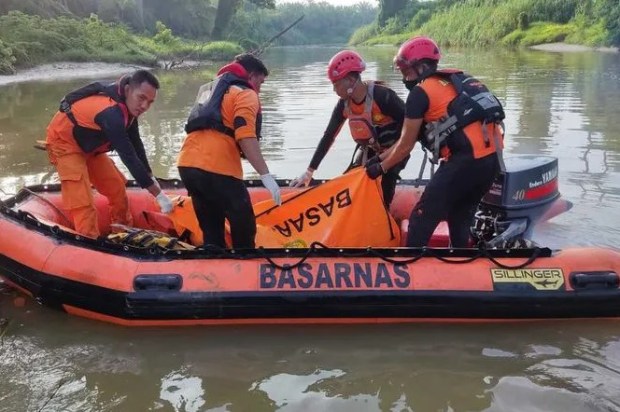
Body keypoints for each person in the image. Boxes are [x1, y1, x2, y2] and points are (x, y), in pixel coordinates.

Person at [366, 36, 505, 247]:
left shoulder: (420, 93)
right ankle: (461, 265)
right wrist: (379, 157)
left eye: (406, 71)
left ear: (421, 67)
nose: (404, 78)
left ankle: (411, 271)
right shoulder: (456, 80)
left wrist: (380, 168)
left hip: (464, 162)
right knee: (460, 218)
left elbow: (405, 145)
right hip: (492, 161)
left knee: (420, 220)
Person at [45, 70, 173, 239]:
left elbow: (137, 144)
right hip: (65, 144)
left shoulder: (129, 109)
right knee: (83, 202)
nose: (144, 106)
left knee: (117, 189)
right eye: (141, 98)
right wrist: (158, 194)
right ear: (128, 90)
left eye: (150, 102)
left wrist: (149, 175)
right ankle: (89, 242)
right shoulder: (111, 113)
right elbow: (128, 156)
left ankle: (122, 234)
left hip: (90, 146)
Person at [177, 53, 280, 249]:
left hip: (188, 165)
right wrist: (265, 175)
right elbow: (246, 136)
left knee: (211, 230)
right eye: (260, 82)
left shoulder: (211, 91)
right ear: (251, 76)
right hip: (218, 167)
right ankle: (245, 265)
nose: (259, 88)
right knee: (244, 226)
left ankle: (215, 263)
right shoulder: (245, 94)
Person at [290, 50, 408, 207]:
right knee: (354, 181)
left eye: (336, 84)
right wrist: (309, 171)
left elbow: (412, 128)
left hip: (397, 149)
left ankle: (383, 211)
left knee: (384, 184)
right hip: (372, 151)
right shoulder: (344, 104)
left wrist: (387, 161)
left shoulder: (383, 97)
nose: (334, 90)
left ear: (351, 80)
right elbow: (329, 136)